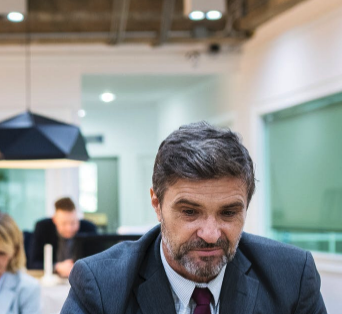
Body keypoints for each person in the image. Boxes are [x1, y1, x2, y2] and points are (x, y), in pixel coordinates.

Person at [61, 122, 326, 314]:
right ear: (157, 203)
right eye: (189, 212)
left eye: (229, 213)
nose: (210, 234)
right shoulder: (101, 285)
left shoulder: (292, 277)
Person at [28, 197, 97, 277]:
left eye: (73, 222)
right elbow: (32, 262)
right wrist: (56, 266)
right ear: (54, 220)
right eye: (64, 223)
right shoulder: (42, 228)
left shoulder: (89, 229)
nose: (69, 228)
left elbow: (97, 261)